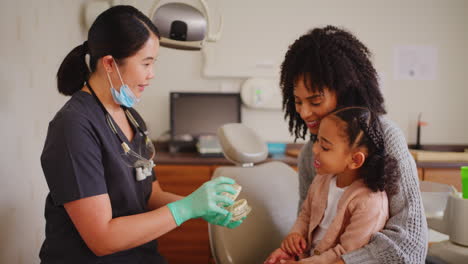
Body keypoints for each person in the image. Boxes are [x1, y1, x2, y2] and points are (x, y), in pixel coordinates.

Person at [39, 5, 244, 263]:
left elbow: (150, 196)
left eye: (153, 63)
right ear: (110, 64)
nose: (152, 75)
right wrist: (185, 209)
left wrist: (199, 207)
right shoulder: (73, 127)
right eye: (146, 63)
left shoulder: (132, 118)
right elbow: (102, 239)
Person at [275, 26, 428, 263]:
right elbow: (308, 226)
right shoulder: (310, 153)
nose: (304, 112)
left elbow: (411, 245)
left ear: (346, 91)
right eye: (297, 101)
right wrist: (291, 252)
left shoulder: (386, 138)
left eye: (315, 100)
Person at [265, 107, 399, 264]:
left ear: (355, 160)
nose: (314, 150)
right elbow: (306, 214)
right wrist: (294, 237)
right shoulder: (322, 179)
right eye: (317, 141)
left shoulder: (370, 203)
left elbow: (346, 254)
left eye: (325, 147)